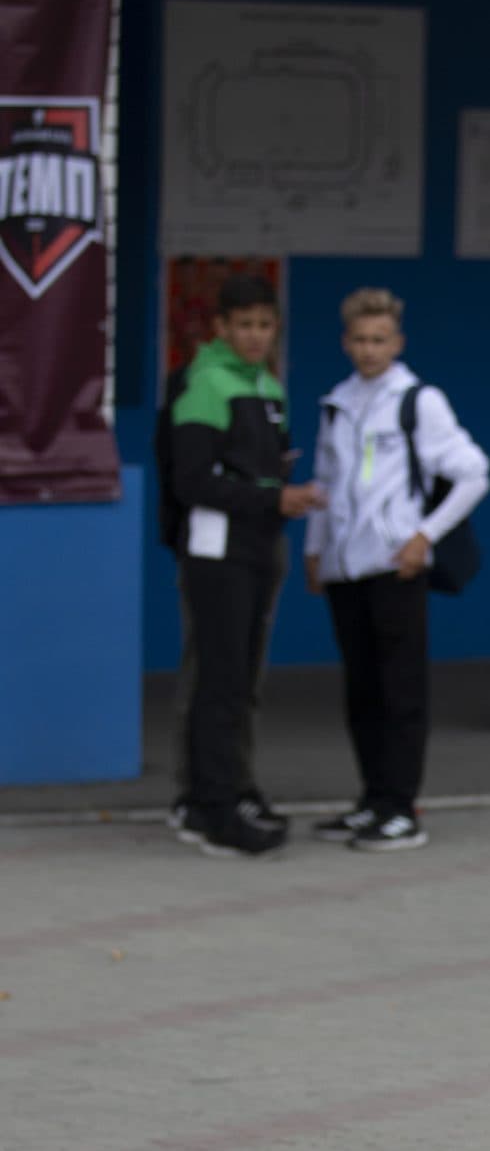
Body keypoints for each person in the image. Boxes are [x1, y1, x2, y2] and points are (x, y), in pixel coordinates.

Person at [303, 289, 490, 851]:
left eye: (379, 339)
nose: (368, 349)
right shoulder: (336, 402)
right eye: (359, 339)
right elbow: (325, 482)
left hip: (395, 567)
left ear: (397, 342)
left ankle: (400, 806)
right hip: (345, 567)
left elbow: (472, 474)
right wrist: (316, 551)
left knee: (400, 690)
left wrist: (422, 538)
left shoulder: (418, 401)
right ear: (345, 342)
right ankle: (371, 799)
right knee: (361, 689)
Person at [166, 274, 323, 858]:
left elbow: (259, 468)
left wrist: (279, 486)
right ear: (221, 328)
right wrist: (270, 496)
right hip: (217, 552)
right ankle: (210, 806)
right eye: (244, 326)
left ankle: (234, 787)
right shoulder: (205, 385)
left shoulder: (268, 387)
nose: (255, 336)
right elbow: (193, 480)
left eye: (264, 325)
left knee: (244, 680)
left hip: (261, 548)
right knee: (218, 680)